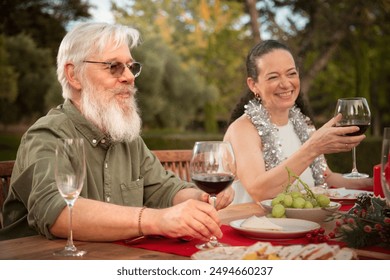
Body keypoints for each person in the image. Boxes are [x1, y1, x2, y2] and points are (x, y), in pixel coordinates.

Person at [0, 22, 233, 241]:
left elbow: (165, 189)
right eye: (113, 67)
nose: (130, 77)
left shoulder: (126, 138)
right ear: (73, 75)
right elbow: (57, 213)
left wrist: (200, 197)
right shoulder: (46, 135)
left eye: (131, 67)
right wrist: (154, 220)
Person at [223, 40, 372, 204]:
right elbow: (260, 191)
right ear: (253, 85)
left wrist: (374, 183)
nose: (286, 83)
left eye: (291, 74)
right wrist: (312, 148)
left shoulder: (304, 123)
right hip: (252, 225)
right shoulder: (242, 129)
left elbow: (327, 177)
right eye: (273, 77)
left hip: (300, 224)